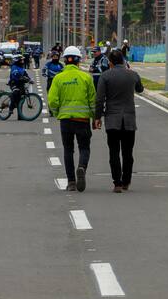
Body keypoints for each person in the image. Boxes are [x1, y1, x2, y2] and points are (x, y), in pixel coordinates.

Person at [94, 48, 145, 192]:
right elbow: (140, 89)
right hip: (129, 120)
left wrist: (97, 117)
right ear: (123, 60)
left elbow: (99, 99)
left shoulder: (105, 76)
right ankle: (126, 181)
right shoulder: (133, 75)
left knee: (114, 152)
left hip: (112, 120)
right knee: (128, 153)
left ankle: (116, 182)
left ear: (110, 62)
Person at [48, 46, 96, 192]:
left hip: (66, 121)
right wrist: (94, 117)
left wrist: (57, 113)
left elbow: (52, 101)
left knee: (68, 150)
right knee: (84, 148)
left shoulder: (58, 78)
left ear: (65, 60)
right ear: (78, 61)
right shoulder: (86, 77)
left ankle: (71, 182)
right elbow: (93, 100)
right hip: (82, 120)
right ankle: (81, 167)